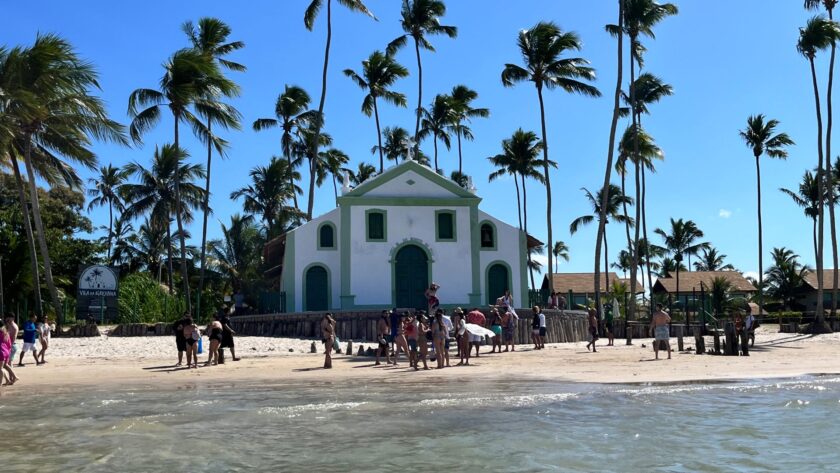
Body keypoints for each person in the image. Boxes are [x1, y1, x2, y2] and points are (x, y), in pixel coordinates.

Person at [4, 313, 19, 380]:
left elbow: (14, 338)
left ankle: (12, 377)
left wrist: (9, 347)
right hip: (9, 346)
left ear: (12, 318)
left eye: (8, 318)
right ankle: (11, 377)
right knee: (8, 362)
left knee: (7, 363)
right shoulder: (8, 325)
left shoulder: (14, 326)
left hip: (12, 346)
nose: (7, 319)